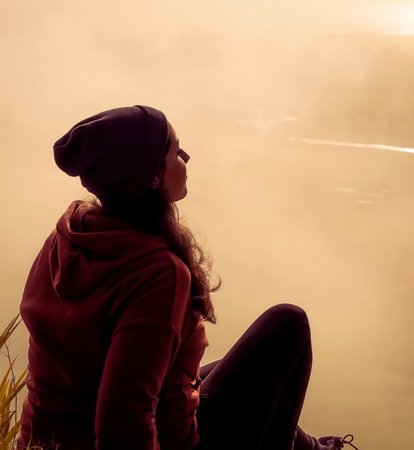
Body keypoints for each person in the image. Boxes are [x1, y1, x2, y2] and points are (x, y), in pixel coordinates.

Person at [18, 105, 351, 450]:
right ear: (152, 176)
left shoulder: (69, 233)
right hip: (166, 442)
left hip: (47, 438)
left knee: (238, 369)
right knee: (288, 325)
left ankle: (312, 446)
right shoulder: (158, 273)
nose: (186, 158)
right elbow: (122, 419)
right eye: (176, 151)